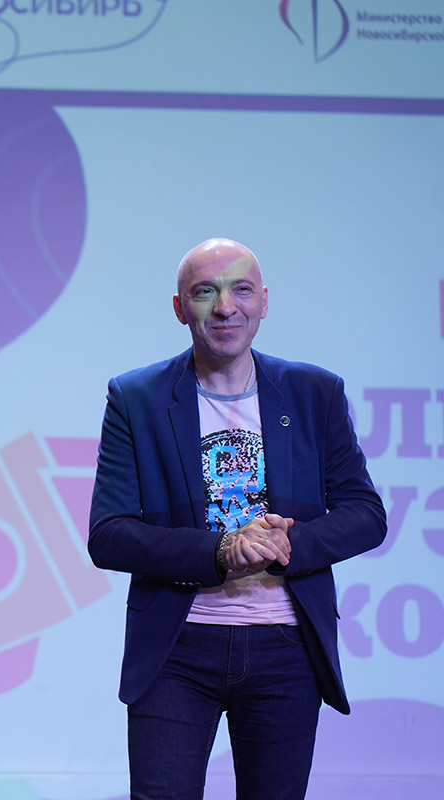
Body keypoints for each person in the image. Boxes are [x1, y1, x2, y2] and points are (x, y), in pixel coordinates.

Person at [87, 237, 387, 800]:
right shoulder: (136, 397)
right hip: (177, 648)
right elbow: (109, 535)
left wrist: (288, 544)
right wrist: (221, 551)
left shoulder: (315, 393)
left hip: (286, 647)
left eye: (241, 290)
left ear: (264, 302)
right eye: (206, 291)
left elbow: (366, 514)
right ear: (180, 307)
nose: (225, 307)